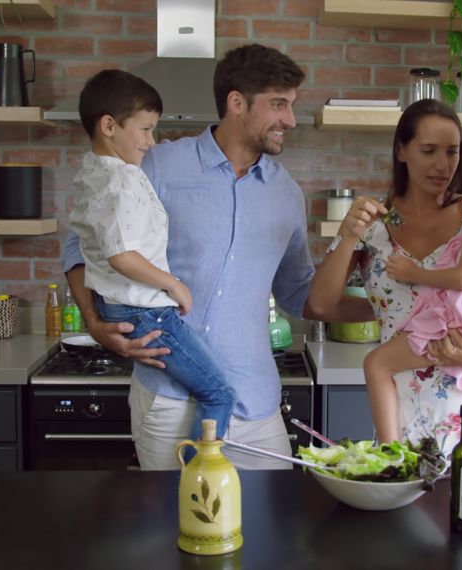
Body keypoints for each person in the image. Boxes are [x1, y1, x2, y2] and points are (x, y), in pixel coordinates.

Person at [61, 45, 369, 470]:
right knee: (175, 531)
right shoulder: (158, 165)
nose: (290, 120)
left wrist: (388, 310)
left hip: (256, 404)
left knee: (268, 530)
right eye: (278, 104)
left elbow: (303, 299)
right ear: (236, 103)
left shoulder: (286, 194)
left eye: (291, 106)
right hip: (168, 401)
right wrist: (95, 323)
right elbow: (80, 243)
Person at [308, 100, 462, 465]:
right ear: (401, 150)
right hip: (405, 419)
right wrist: (347, 234)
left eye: (453, 151)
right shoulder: (375, 224)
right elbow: (322, 306)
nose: (443, 164)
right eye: (428, 151)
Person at [68, 69, 237, 446]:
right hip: (145, 310)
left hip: (123, 307)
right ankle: (198, 478)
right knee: (220, 394)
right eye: (145, 129)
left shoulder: (93, 170)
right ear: (109, 125)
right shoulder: (121, 179)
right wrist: (173, 284)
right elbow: (119, 255)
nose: (152, 140)